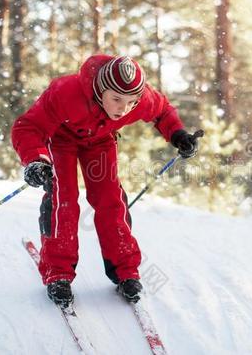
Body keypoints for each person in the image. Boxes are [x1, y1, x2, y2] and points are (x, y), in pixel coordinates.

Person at [11, 55, 199, 306]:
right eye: (117, 99)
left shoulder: (139, 99)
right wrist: (36, 159)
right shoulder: (66, 92)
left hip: (99, 141)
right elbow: (27, 127)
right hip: (61, 139)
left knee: (110, 201)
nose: (123, 109)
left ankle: (126, 270)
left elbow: (162, 110)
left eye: (131, 102)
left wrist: (177, 134)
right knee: (63, 199)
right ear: (101, 89)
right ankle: (57, 273)